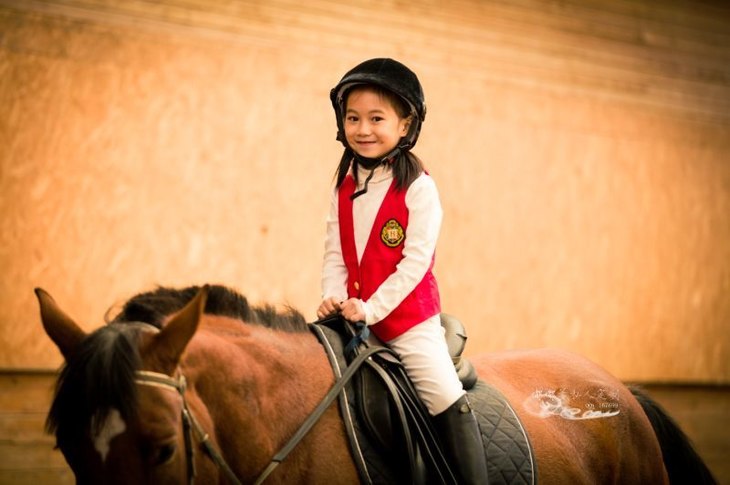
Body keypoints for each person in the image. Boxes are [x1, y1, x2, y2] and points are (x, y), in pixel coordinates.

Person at [317, 58, 489, 484]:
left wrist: (371, 309)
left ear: (405, 124)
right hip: (354, 317)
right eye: (353, 118)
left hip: (408, 323)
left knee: (443, 395)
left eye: (377, 118)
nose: (363, 129)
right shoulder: (345, 184)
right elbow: (335, 253)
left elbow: (416, 264)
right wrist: (333, 295)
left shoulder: (419, 188)